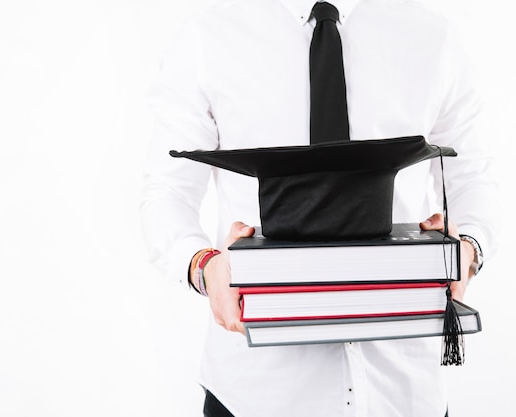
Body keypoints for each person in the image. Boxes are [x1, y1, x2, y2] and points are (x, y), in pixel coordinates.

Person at [140, 0, 498, 416]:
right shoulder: (209, 38)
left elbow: (471, 177)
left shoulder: (431, 37)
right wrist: (203, 265)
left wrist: (469, 247)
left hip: (403, 388)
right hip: (258, 391)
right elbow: (167, 191)